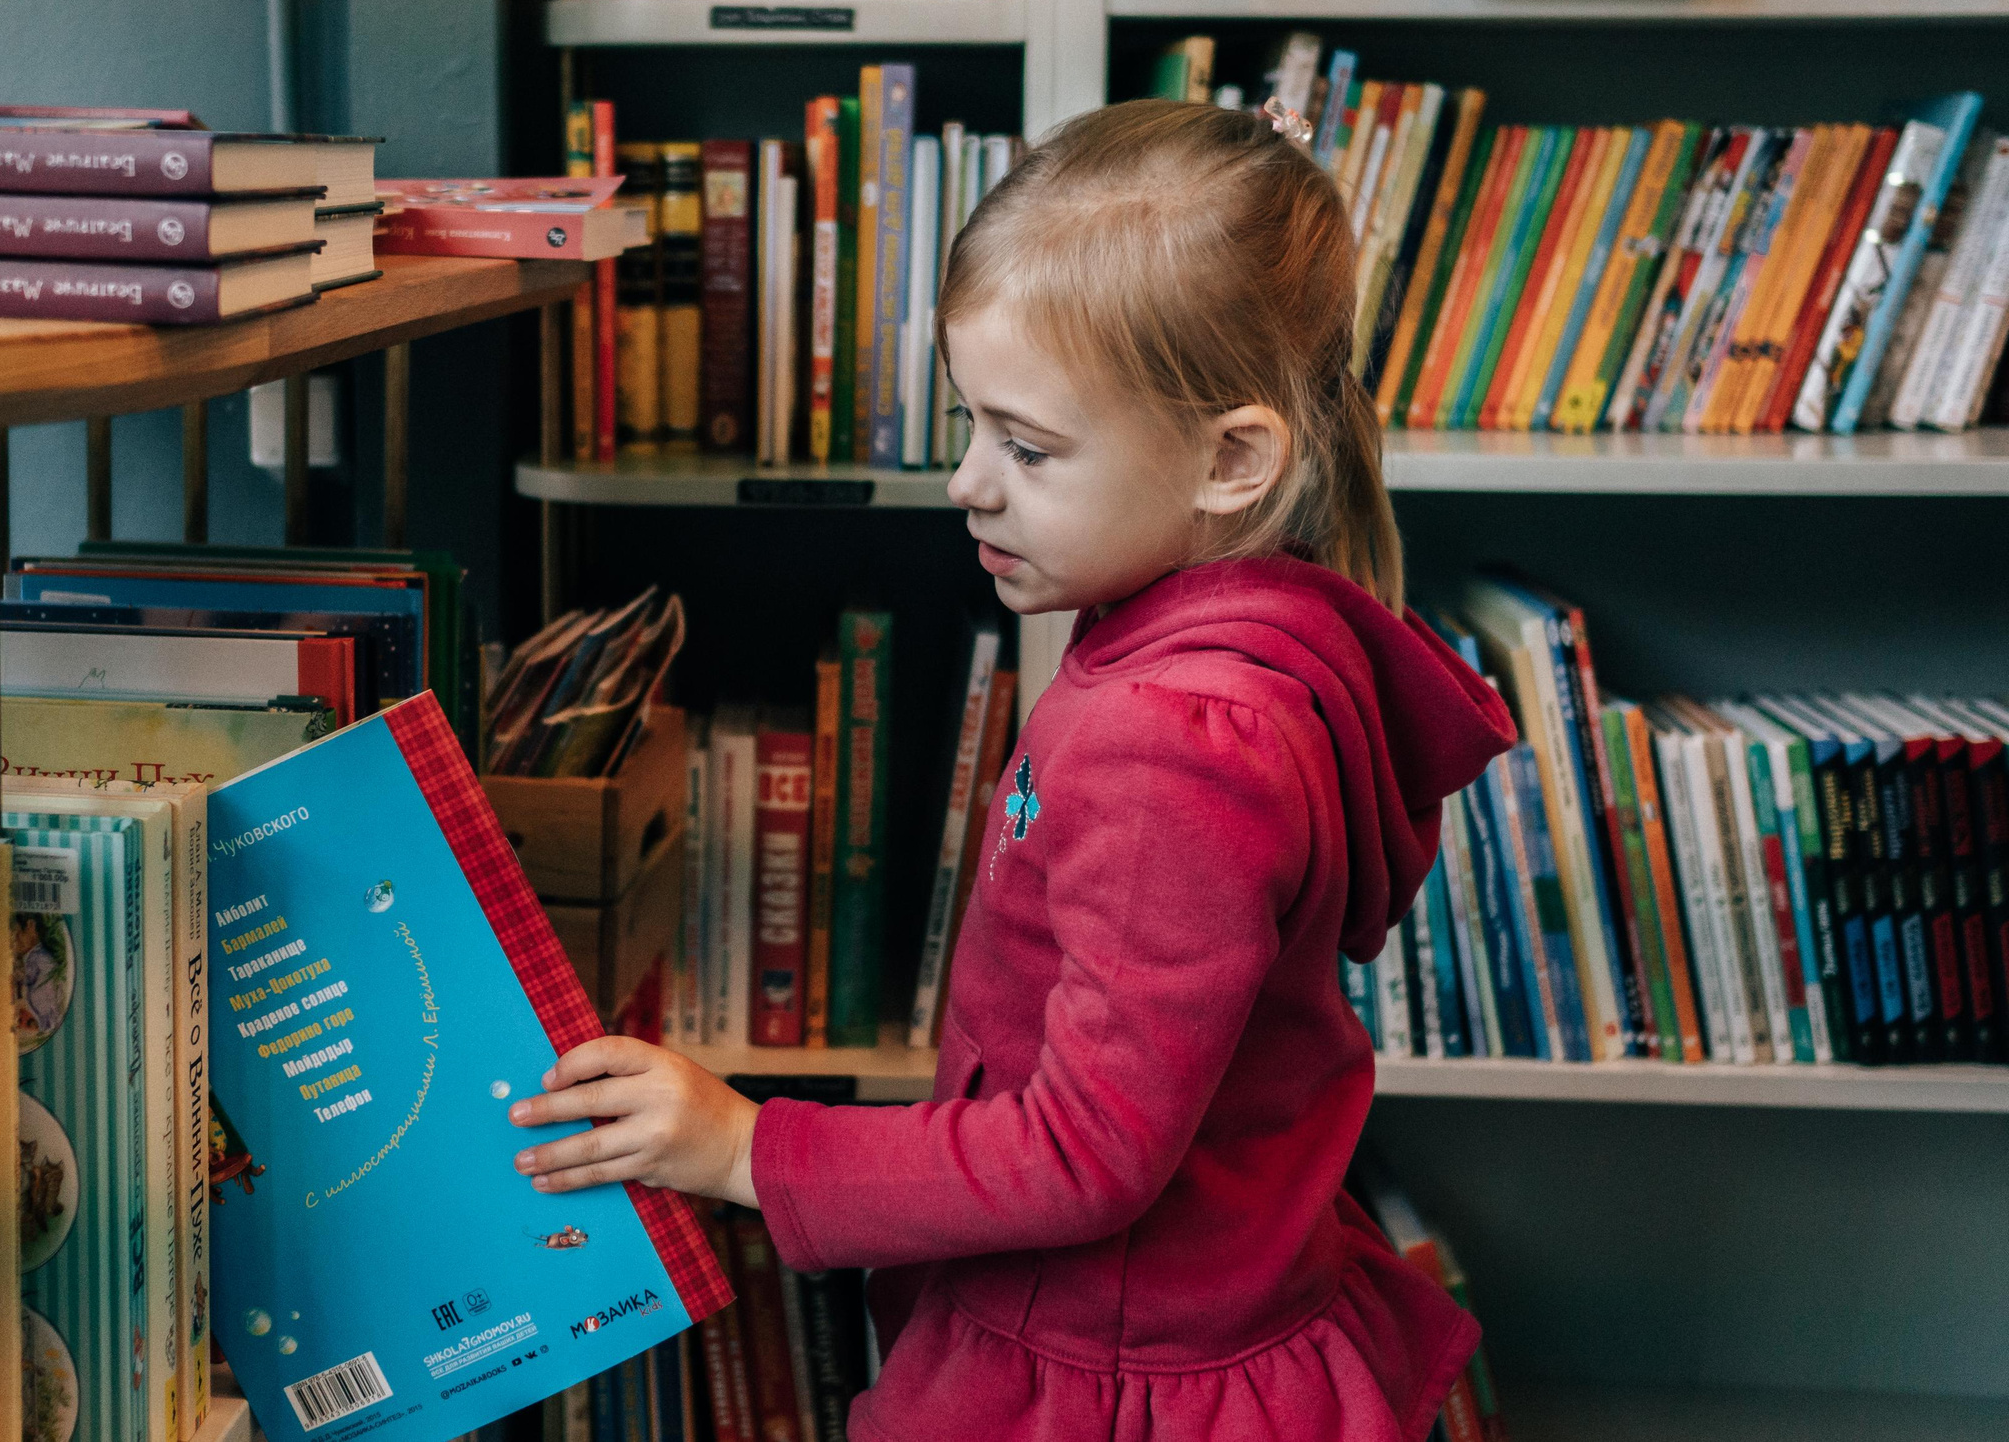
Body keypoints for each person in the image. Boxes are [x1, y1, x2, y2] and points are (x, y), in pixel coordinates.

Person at [508, 99, 1519, 1441]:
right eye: (971, 427)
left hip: (1108, 1363)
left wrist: (746, 1146)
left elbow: (1086, 1153)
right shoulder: (1240, 636)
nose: (966, 485)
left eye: (1027, 449)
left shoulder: (1176, 746)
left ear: (1232, 460)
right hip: (1180, 1303)